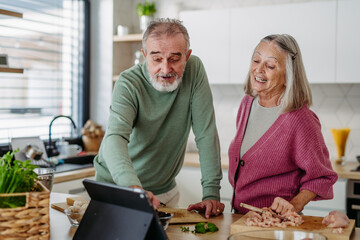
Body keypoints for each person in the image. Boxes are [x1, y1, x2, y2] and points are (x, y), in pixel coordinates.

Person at [93, 18, 225, 218]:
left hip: (165, 190)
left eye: (174, 59)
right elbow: (114, 139)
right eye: (156, 59)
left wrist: (211, 191)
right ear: (145, 55)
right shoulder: (128, 83)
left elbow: (205, 133)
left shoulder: (195, 70)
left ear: (187, 57)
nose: (165, 69)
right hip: (119, 188)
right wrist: (133, 189)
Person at [228, 34, 338, 215]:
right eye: (256, 60)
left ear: (289, 76)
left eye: (270, 66)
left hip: (276, 225)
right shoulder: (246, 104)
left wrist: (294, 205)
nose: (259, 69)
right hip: (241, 220)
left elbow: (322, 176)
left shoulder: (300, 119)